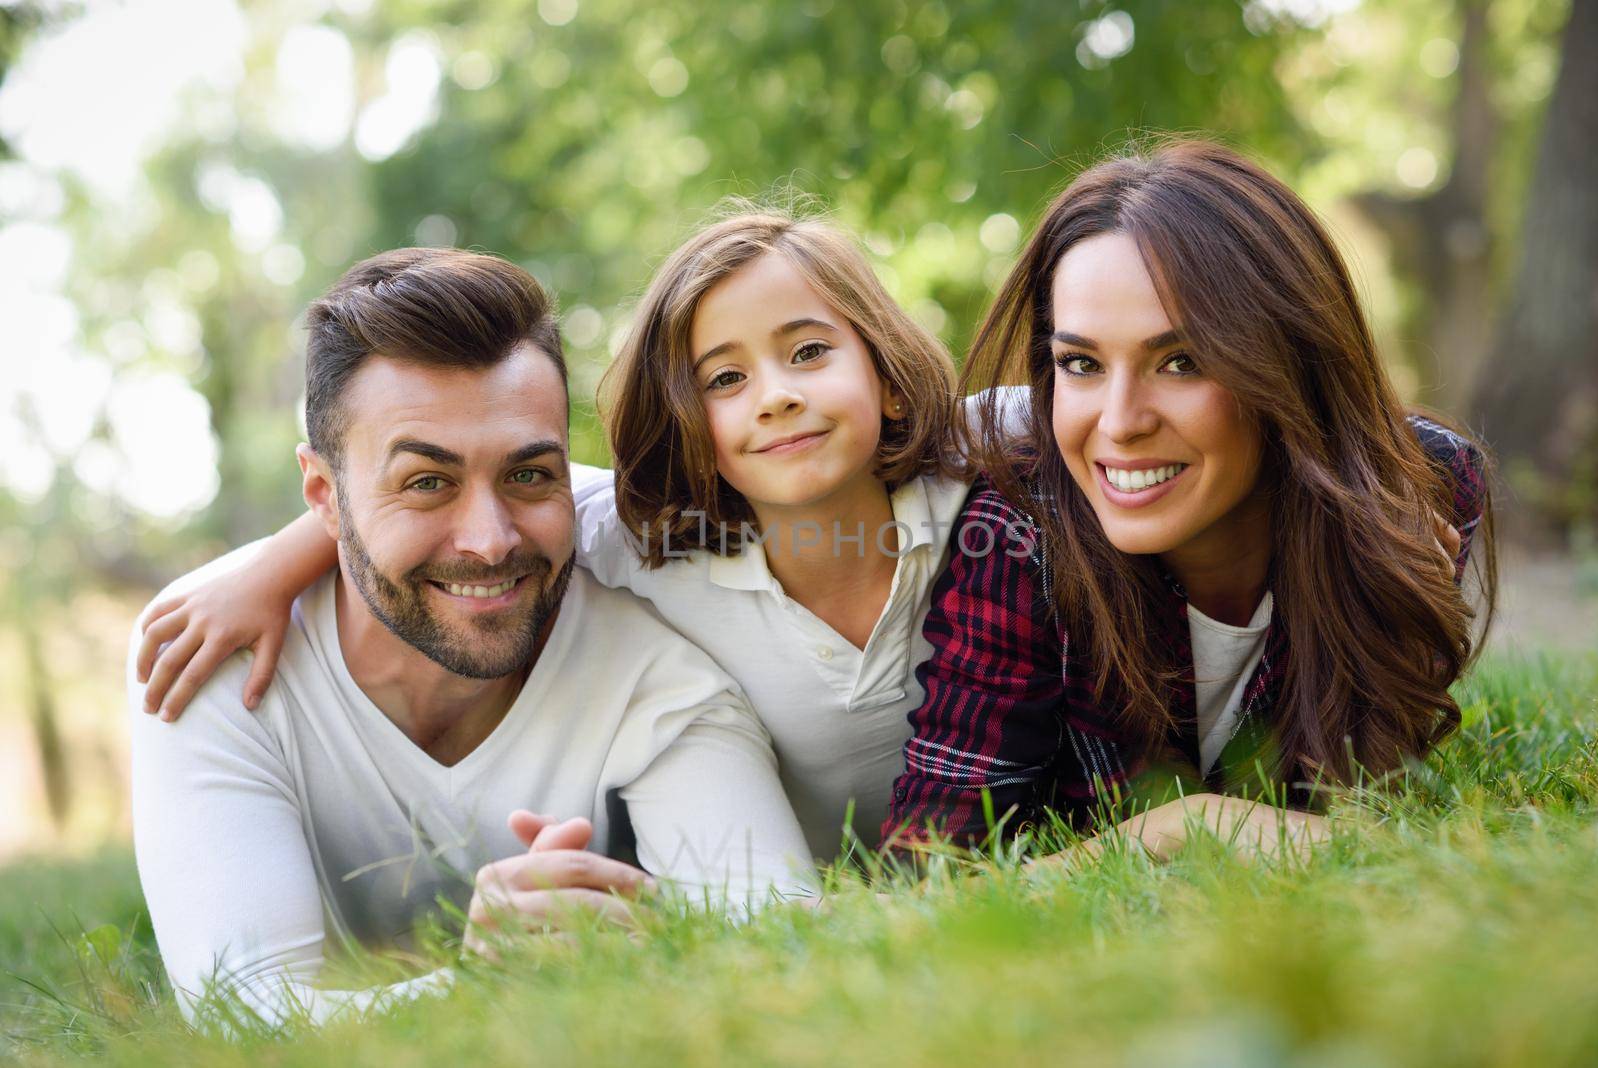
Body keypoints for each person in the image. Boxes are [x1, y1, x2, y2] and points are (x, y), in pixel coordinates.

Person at [136, 210, 1013, 861]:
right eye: (726, 378)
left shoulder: (988, 465)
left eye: (811, 352)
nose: (776, 394)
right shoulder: (647, 543)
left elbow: (1100, 411)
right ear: (686, 423)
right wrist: (269, 570)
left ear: (888, 376)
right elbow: (464, 517)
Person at [127, 248, 815, 1028]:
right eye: (427, 483)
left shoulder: (657, 667)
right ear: (323, 493)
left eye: (528, 475)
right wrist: (488, 977)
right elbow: (241, 1017)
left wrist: (639, 941)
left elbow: (781, 938)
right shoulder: (206, 650)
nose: (490, 541)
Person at [883, 139, 1496, 860]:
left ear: (1289, 363)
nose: (1119, 422)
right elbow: (932, 872)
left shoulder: (1410, 489)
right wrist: (1181, 825)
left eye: (1182, 362)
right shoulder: (1021, 530)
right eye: (1080, 364)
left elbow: (1355, 808)